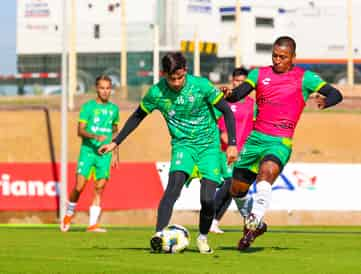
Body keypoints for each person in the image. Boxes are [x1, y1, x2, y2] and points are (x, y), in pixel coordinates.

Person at [98, 52, 238, 254]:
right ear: (163, 74)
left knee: (207, 199)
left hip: (209, 147)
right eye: (171, 78)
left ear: (185, 71)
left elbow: (226, 111)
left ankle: (202, 237)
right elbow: (138, 116)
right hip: (183, 146)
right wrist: (115, 142)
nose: (176, 82)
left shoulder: (201, 86)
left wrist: (232, 143)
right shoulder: (156, 93)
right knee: (173, 187)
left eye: (180, 77)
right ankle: (159, 235)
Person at [225, 36, 343, 250]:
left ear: (293, 58)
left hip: (279, 141)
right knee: (237, 190)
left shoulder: (305, 78)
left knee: (265, 175)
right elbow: (237, 95)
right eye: (275, 56)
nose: (277, 60)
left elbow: (336, 93)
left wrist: (326, 101)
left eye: (283, 57)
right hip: (255, 140)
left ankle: (255, 221)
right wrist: (229, 94)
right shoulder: (258, 74)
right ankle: (254, 224)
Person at [60, 75, 120, 233]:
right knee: (79, 186)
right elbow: (80, 130)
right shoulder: (88, 107)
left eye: (108, 88)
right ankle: (69, 213)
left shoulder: (114, 109)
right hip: (87, 152)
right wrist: (94, 136)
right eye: (102, 88)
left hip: (105, 153)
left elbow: (115, 132)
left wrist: (115, 153)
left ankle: (92, 224)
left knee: (100, 187)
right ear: (96, 89)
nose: (105, 91)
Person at [209, 67, 256, 234]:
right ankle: (209, 218)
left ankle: (214, 222)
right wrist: (231, 146)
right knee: (229, 183)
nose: (239, 84)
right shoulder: (225, 102)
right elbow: (222, 131)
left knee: (233, 188)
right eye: (236, 81)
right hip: (225, 152)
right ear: (232, 81)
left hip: (245, 154)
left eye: (243, 82)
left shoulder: (253, 105)